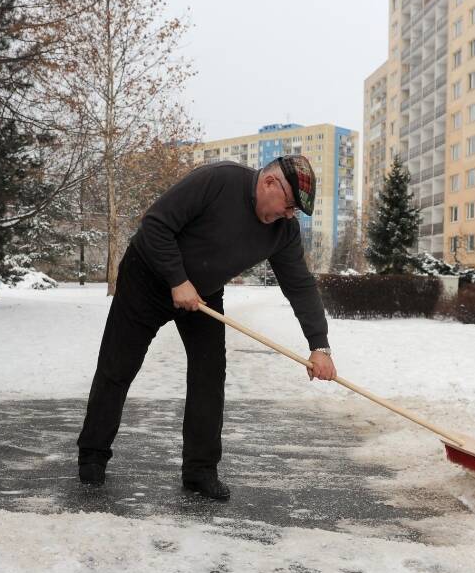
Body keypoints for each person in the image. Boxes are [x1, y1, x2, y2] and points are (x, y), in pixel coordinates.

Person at [77, 154, 337, 500]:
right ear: (270, 183)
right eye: (289, 206)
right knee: (118, 366)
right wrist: (177, 279)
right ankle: (93, 456)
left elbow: (300, 285)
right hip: (147, 277)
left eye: (293, 212)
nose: (288, 215)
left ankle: (200, 470)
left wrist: (319, 345)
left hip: (203, 294)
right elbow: (155, 225)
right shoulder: (218, 181)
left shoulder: (283, 231)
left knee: (209, 374)